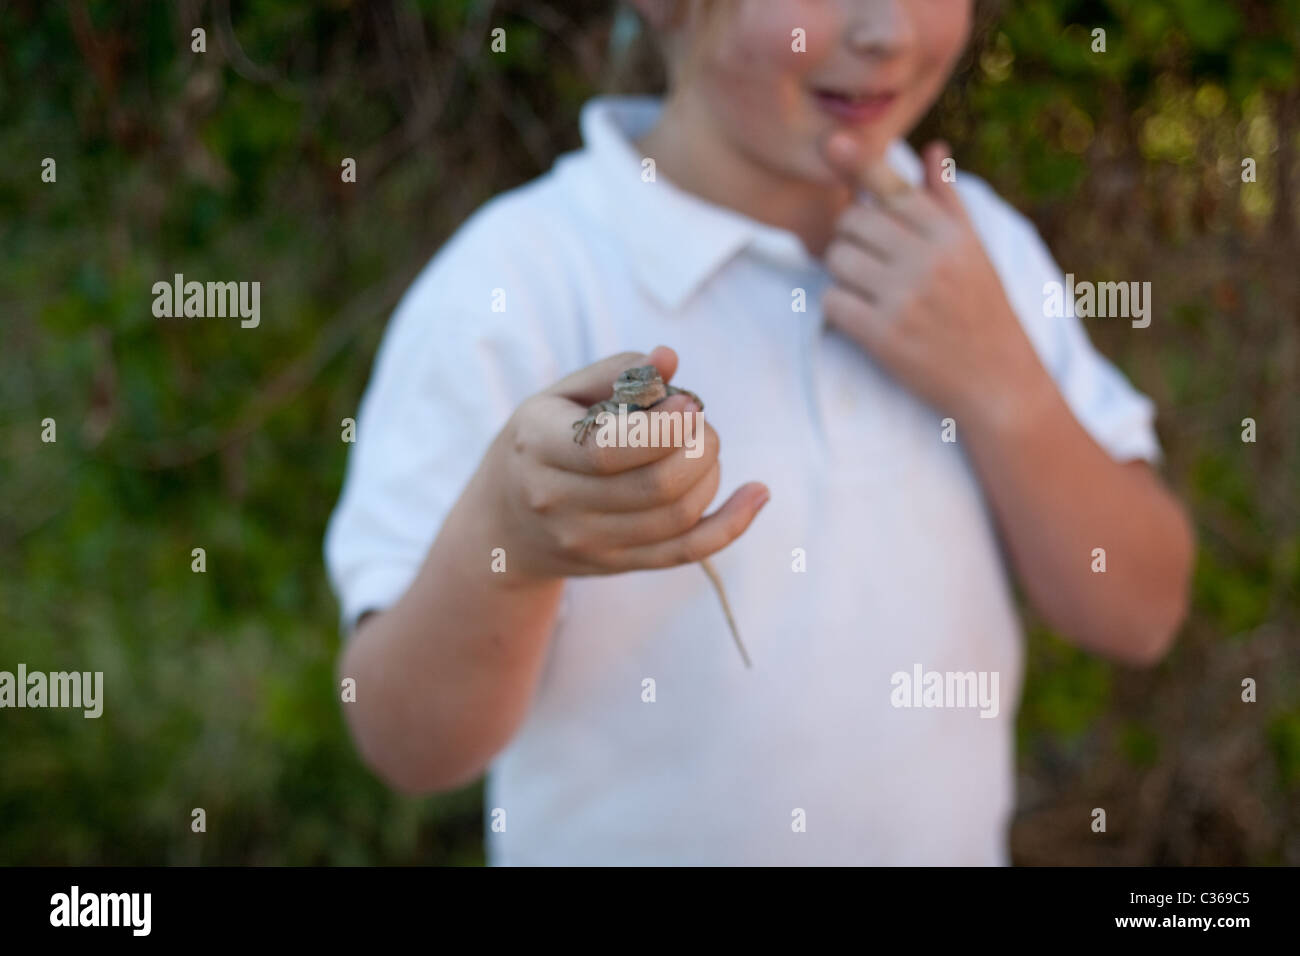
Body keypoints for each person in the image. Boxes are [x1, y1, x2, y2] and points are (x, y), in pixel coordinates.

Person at [324, 0, 1194, 865]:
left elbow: (1142, 615)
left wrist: (1003, 383)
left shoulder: (976, 248)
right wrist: (511, 538)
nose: (886, 30)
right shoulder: (517, 281)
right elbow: (406, 742)